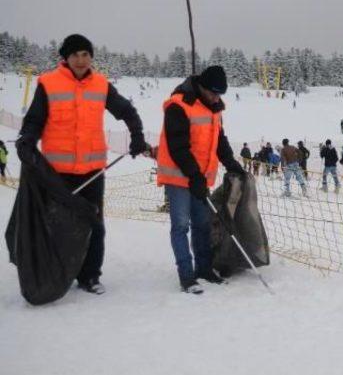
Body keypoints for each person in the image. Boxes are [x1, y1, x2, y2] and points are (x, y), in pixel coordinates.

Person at [16, 34, 150, 295]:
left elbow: (126, 110)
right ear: (65, 58)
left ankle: (89, 276)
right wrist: (27, 139)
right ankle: (56, 270)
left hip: (92, 171)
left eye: (85, 54)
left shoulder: (100, 84)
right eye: (75, 55)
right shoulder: (49, 83)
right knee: (56, 224)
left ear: (91, 57)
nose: (81, 60)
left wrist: (137, 135)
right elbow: (34, 120)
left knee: (95, 224)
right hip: (57, 173)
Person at [156, 65, 245, 294]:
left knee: (202, 224)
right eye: (212, 92)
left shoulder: (215, 109)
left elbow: (219, 140)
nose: (216, 97)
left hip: (200, 179)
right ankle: (186, 276)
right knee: (180, 225)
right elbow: (178, 146)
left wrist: (231, 163)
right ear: (201, 86)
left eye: (220, 94)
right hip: (178, 177)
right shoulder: (179, 105)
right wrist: (193, 176)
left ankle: (204, 269)